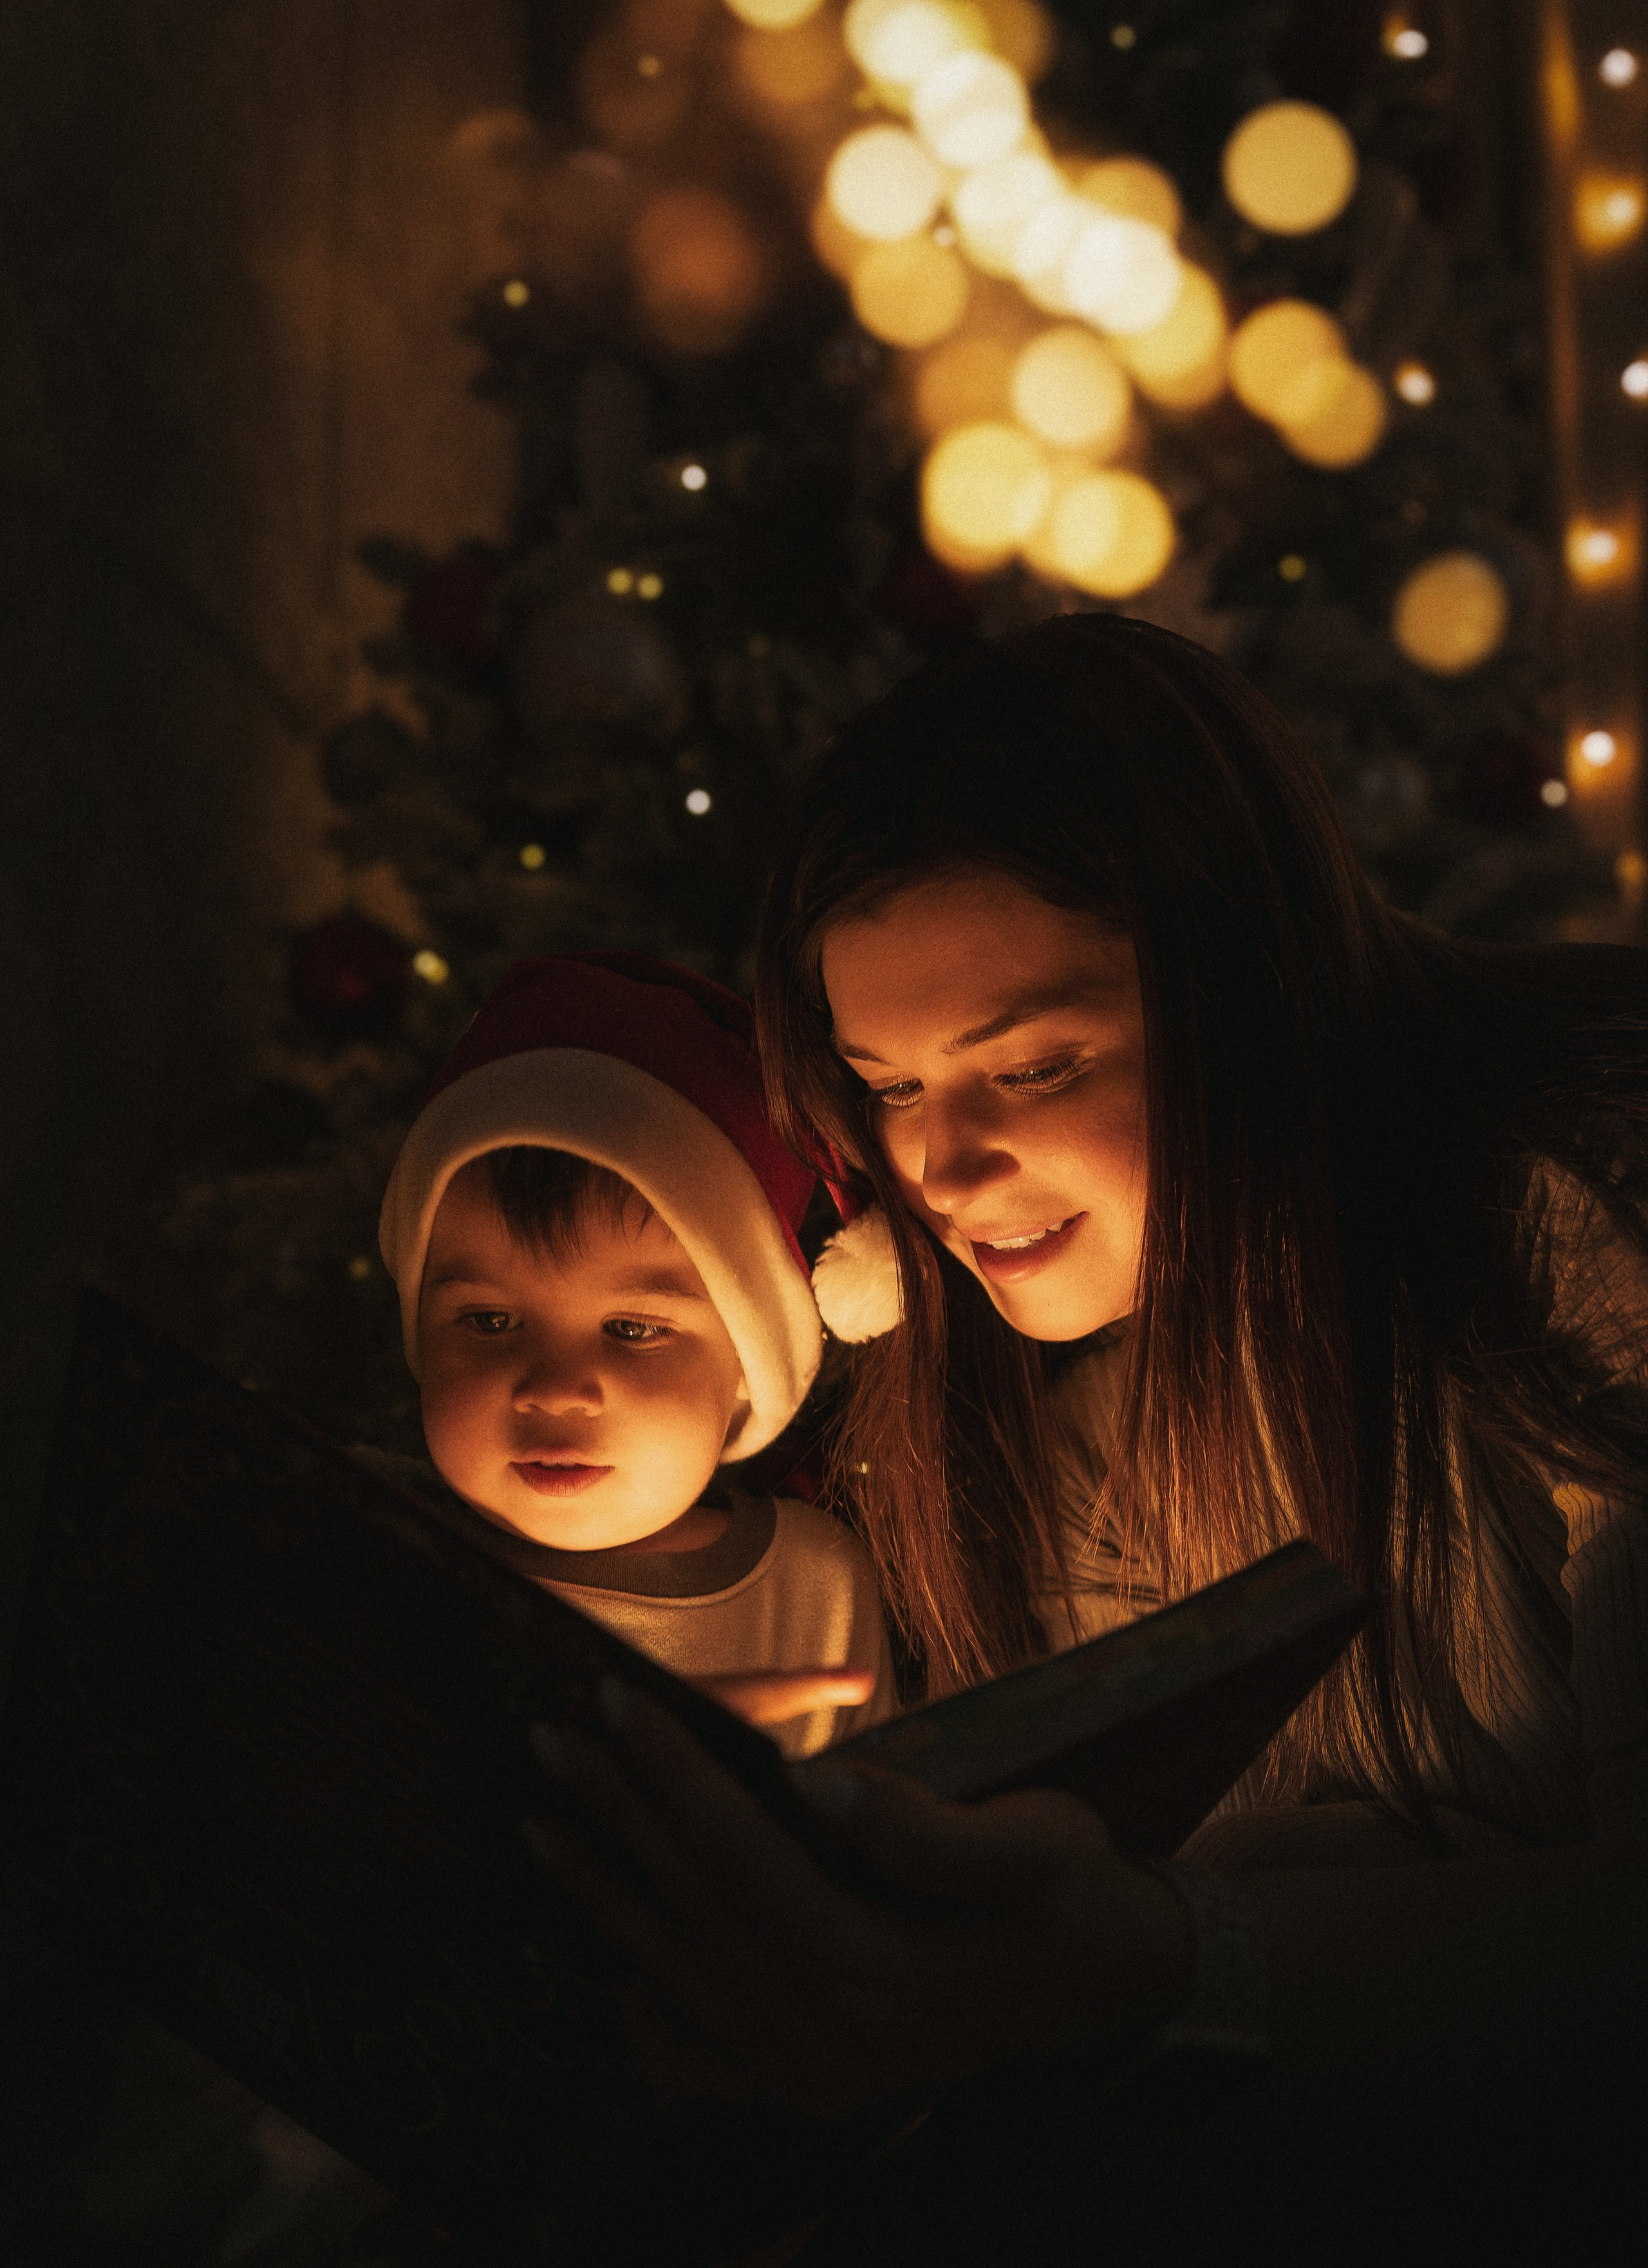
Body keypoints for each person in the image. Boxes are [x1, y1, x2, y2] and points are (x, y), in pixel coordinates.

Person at [524, 617, 1648, 2260]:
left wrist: (1157, 1955)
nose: (944, 1169)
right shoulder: (1026, 1393)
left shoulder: (1570, 1209)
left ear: (1242, 986)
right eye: (887, 1088)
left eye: (1031, 1065)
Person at [371, 949, 894, 1758]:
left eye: (633, 1329)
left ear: (747, 1362)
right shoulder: (360, 1545)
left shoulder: (813, 1588)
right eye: (488, 1321)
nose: (553, 1390)